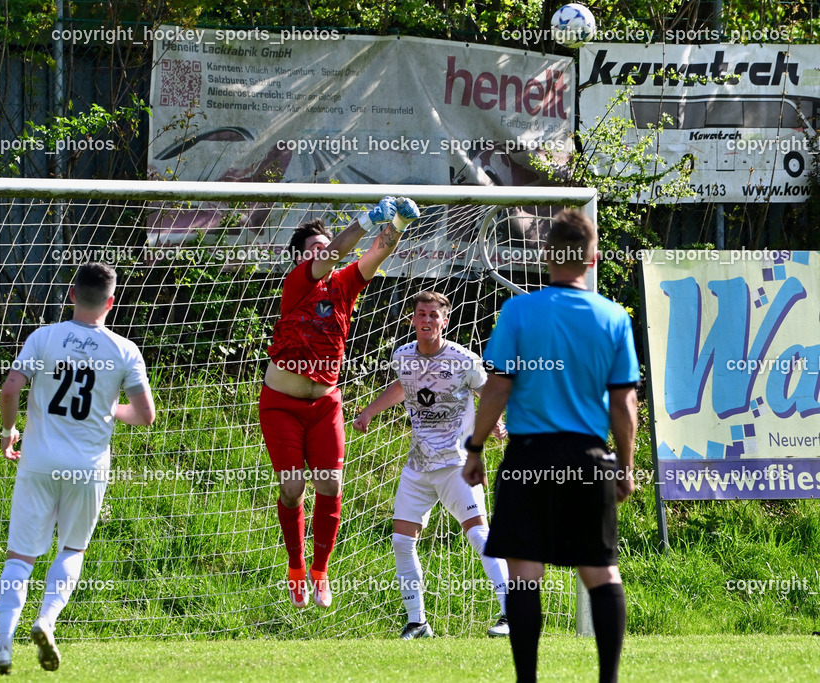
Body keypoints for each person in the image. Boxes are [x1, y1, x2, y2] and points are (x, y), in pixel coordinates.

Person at [462, 210, 639, 683]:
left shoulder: (519, 312)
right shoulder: (613, 317)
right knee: (601, 571)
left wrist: (475, 447)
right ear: (593, 258)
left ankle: (527, 680)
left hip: (529, 457)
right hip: (588, 458)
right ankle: (608, 680)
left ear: (546, 257)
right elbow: (624, 403)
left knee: (524, 573)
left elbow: (497, 388)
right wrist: (625, 467)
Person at [0, 262, 156, 675]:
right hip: (87, 468)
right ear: (111, 302)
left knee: (20, 557)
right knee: (72, 549)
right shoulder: (124, 350)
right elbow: (145, 415)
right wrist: (109, 410)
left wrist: (9, 432)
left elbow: (10, 388)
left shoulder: (43, 337)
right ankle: (46, 621)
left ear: (71, 294)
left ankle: (3, 649)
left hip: (38, 462)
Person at [260, 196, 420, 609]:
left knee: (330, 484)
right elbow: (334, 252)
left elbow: (376, 253)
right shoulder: (298, 281)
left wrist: (398, 225)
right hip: (281, 405)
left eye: (324, 245)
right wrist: (365, 219)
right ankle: (295, 567)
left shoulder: (345, 283)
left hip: (326, 405)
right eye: (314, 248)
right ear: (302, 257)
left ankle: (320, 571)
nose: (323, 251)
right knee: (293, 487)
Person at [352, 290, 510, 639]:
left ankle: (511, 612)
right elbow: (403, 386)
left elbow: (488, 392)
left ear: (445, 321)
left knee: (480, 534)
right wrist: (369, 412)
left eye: (433, 315)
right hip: (418, 466)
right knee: (401, 541)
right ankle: (417, 622)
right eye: (421, 314)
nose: (427, 320)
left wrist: (496, 422)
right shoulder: (403, 356)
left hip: (456, 464)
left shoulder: (463, 359)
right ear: (413, 319)